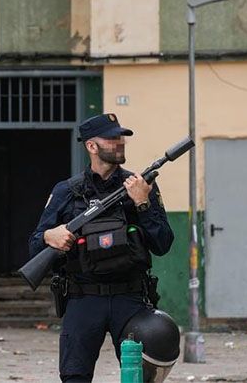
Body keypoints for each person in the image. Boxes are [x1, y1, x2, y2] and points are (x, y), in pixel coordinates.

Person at [28, 113, 177, 382]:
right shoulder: (66, 191)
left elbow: (163, 244)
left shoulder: (140, 187)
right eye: (111, 138)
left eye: (121, 137)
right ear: (91, 146)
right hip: (83, 298)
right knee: (74, 376)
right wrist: (51, 236)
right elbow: (34, 246)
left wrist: (142, 203)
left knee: (139, 378)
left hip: (130, 298)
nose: (119, 142)